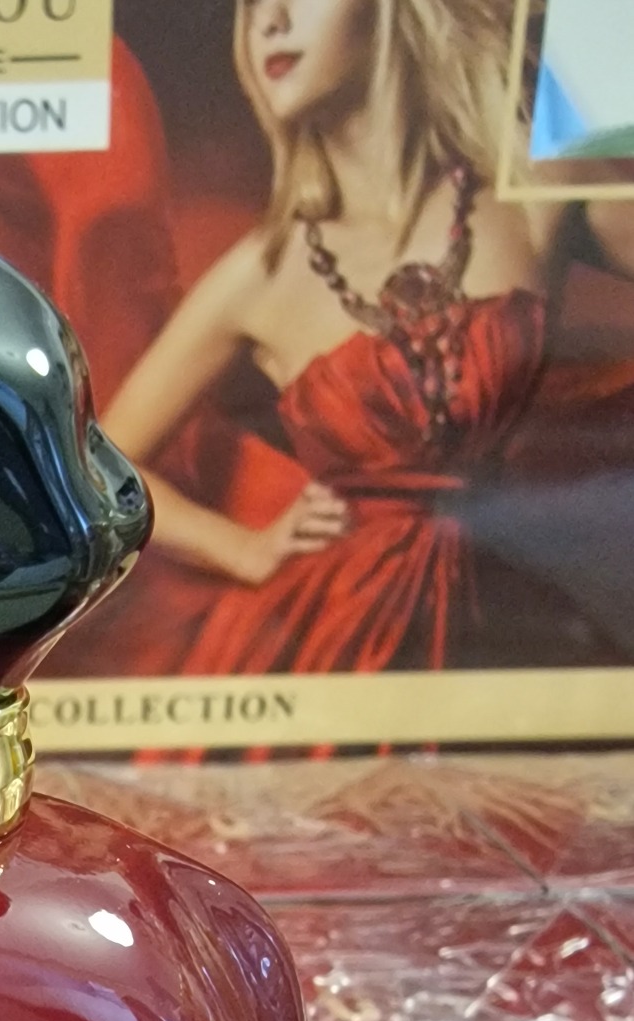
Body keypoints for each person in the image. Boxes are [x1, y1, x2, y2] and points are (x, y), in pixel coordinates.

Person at [98, 0, 634, 677]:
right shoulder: (261, 272)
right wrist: (242, 548)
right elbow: (98, 464)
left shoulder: (528, 191)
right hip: (336, 642)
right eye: (251, 6)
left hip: (521, 619)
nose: (270, 21)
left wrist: (581, 84)